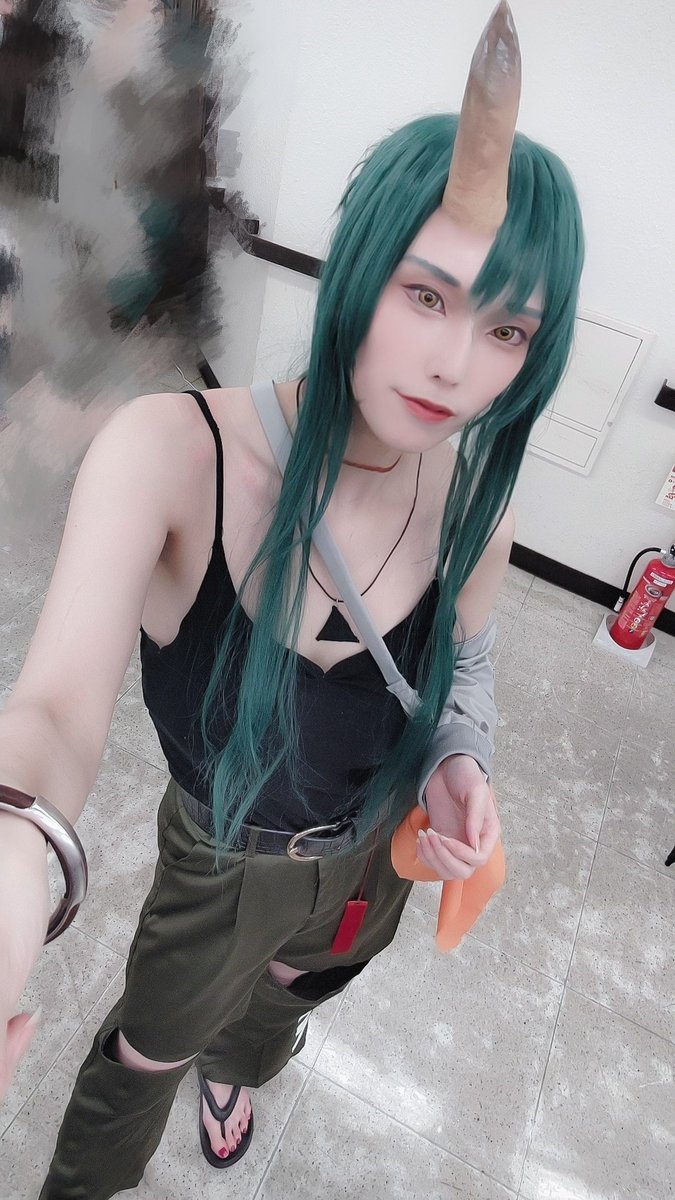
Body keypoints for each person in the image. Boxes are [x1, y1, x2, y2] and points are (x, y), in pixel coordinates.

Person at [0, 4, 584, 1196]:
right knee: (149, 1047)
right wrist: (12, 861)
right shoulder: (172, 455)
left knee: (293, 990)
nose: (455, 365)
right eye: (427, 296)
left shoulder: (476, 504)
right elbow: (54, 713)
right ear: (359, 268)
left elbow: (465, 662)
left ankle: (243, 1070)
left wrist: (458, 759)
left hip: (373, 853)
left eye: (507, 328)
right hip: (225, 862)